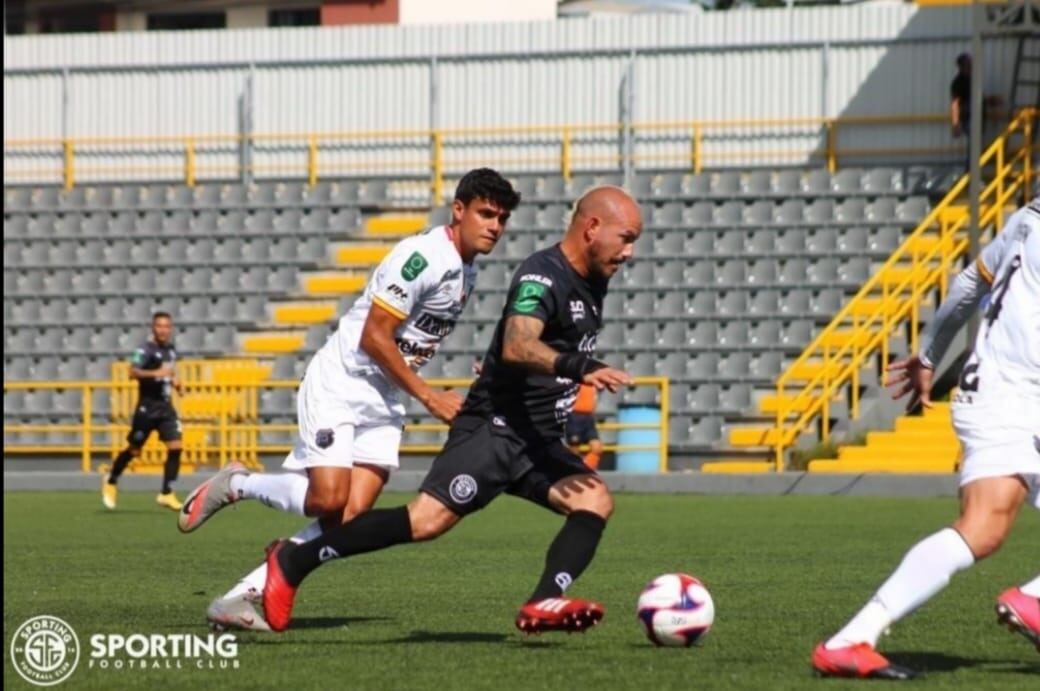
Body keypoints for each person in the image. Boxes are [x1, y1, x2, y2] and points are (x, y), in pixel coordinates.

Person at [260, 186, 643, 634]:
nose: (629, 252)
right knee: (426, 521)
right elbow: (517, 343)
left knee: (595, 500)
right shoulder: (542, 275)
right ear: (592, 227)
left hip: (537, 438)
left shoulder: (593, 278)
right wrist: (579, 367)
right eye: (626, 238)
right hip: (496, 430)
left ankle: (543, 601)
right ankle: (293, 560)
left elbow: (518, 351)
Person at [178, 168, 520, 631]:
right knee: (328, 498)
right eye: (486, 214)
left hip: (384, 394)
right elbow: (374, 337)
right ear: (458, 210)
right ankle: (238, 483)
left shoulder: (467, 272)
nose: (495, 226)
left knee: (351, 517)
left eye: (502, 218)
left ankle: (239, 597)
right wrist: (428, 397)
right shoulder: (423, 257)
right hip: (341, 382)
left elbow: (413, 339)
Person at [812, 196, 1040, 679]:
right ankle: (851, 640)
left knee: (986, 527)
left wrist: (932, 354)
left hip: (1005, 392)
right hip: (1014, 399)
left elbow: (970, 283)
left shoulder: (1029, 216)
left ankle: (1034, 599)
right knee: (982, 527)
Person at [102, 311, 185, 511]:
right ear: (153, 328)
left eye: (167, 326)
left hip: (165, 408)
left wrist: (175, 382)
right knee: (134, 450)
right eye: (159, 326)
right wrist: (157, 373)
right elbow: (133, 372)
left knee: (176, 446)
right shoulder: (144, 350)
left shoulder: (171, 350)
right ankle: (111, 479)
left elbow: (168, 372)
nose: (163, 330)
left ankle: (167, 493)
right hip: (147, 409)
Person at [566, 384, 603, 470]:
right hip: (575, 416)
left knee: (597, 448)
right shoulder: (575, 380)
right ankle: (573, 471)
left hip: (589, 417)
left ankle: (586, 470)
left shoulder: (593, 382)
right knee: (574, 450)